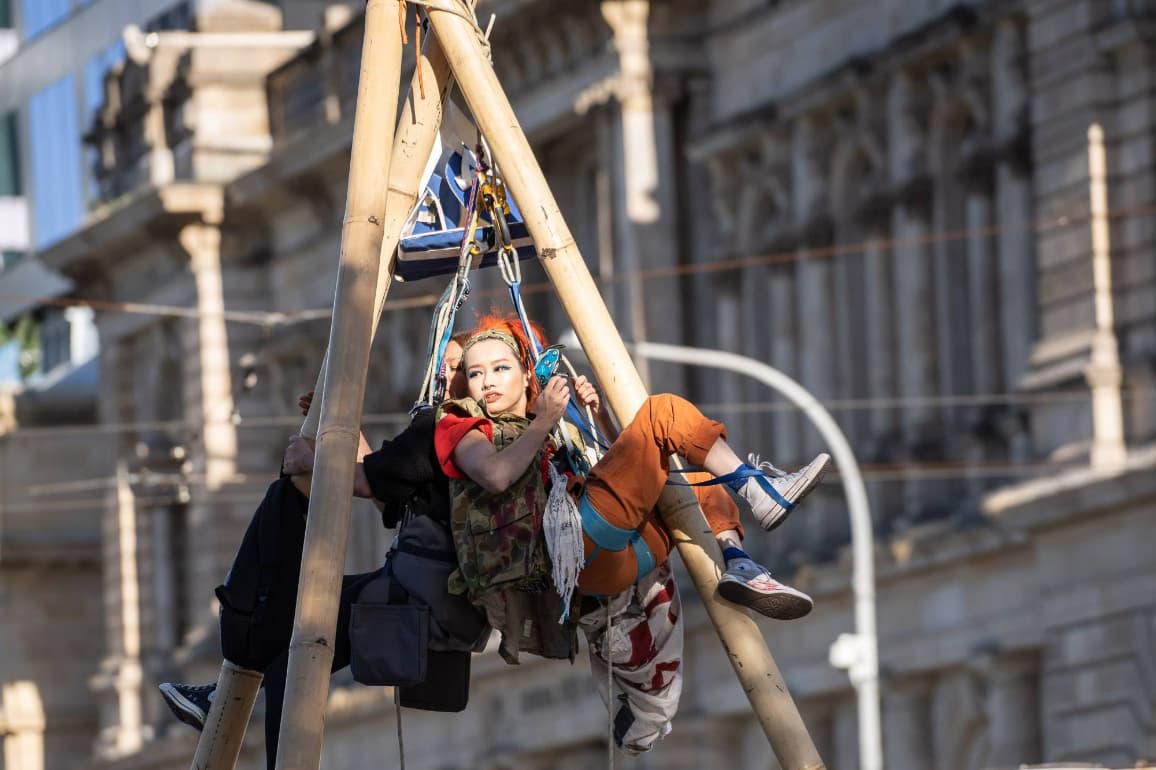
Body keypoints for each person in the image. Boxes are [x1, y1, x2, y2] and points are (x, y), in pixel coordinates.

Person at [160, 336, 475, 768]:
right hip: (422, 590)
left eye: (463, 369)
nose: (448, 375)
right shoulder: (456, 432)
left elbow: (370, 482)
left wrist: (315, 461)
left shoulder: (454, 431)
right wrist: (343, 431)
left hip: (419, 596)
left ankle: (229, 677)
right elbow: (388, 489)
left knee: (284, 515)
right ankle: (223, 692)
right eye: (446, 364)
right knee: (286, 657)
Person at [437, 316, 827, 629]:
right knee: (663, 412)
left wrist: (599, 415)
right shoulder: (462, 425)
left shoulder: (543, 422)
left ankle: (740, 563)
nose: (487, 381)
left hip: (614, 562)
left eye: (500, 368)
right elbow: (497, 476)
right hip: (577, 547)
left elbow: (630, 465)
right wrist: (545, 420)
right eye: (474, 374)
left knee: (692, 486)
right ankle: (760, 489)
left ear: (526, 375)